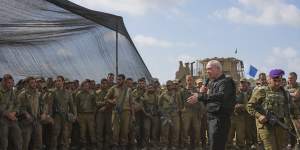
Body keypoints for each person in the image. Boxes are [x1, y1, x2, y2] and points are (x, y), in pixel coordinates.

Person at [187, 60, 236, 150]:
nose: (207, 71)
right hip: (212, 119)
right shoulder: (213, 83)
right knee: (213, 145)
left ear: (218, 69)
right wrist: (202, 94)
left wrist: (200, 96)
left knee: (216, 146)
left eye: (209, 69)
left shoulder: (226, 81)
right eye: (206, 69)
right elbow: (210, 102)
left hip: (220, 120)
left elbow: (221, 96)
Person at [247, 69, 291, 150]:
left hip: (279, 125)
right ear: (269, 79)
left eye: (279, 80)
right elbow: (249, 106)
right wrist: (259, 116)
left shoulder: (284, 93)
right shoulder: (262, 91)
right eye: (275, 80)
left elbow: (289, 109)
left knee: (281, 148)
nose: (277, 83)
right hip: (266, 126)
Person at [0, 74, 23, 150]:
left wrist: (14, 112)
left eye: (11, 82)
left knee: (18, 138)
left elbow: (18, 103)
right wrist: (7, 114)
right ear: (4, 82)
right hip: (2, 119)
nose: (11, 84)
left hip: (12, 119)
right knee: (3, 142)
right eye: (9, 83)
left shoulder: (12, 91)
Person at [287, 72, 300, 148]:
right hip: (288, 114)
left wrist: (287, 93)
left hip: (297, 115)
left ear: (295, 78)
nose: (289, 80)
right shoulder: (286, 87)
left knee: (298, 132)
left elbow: (296, 96)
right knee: (290, 133)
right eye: (288, 78)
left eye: (291, 78)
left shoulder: (299, 86)